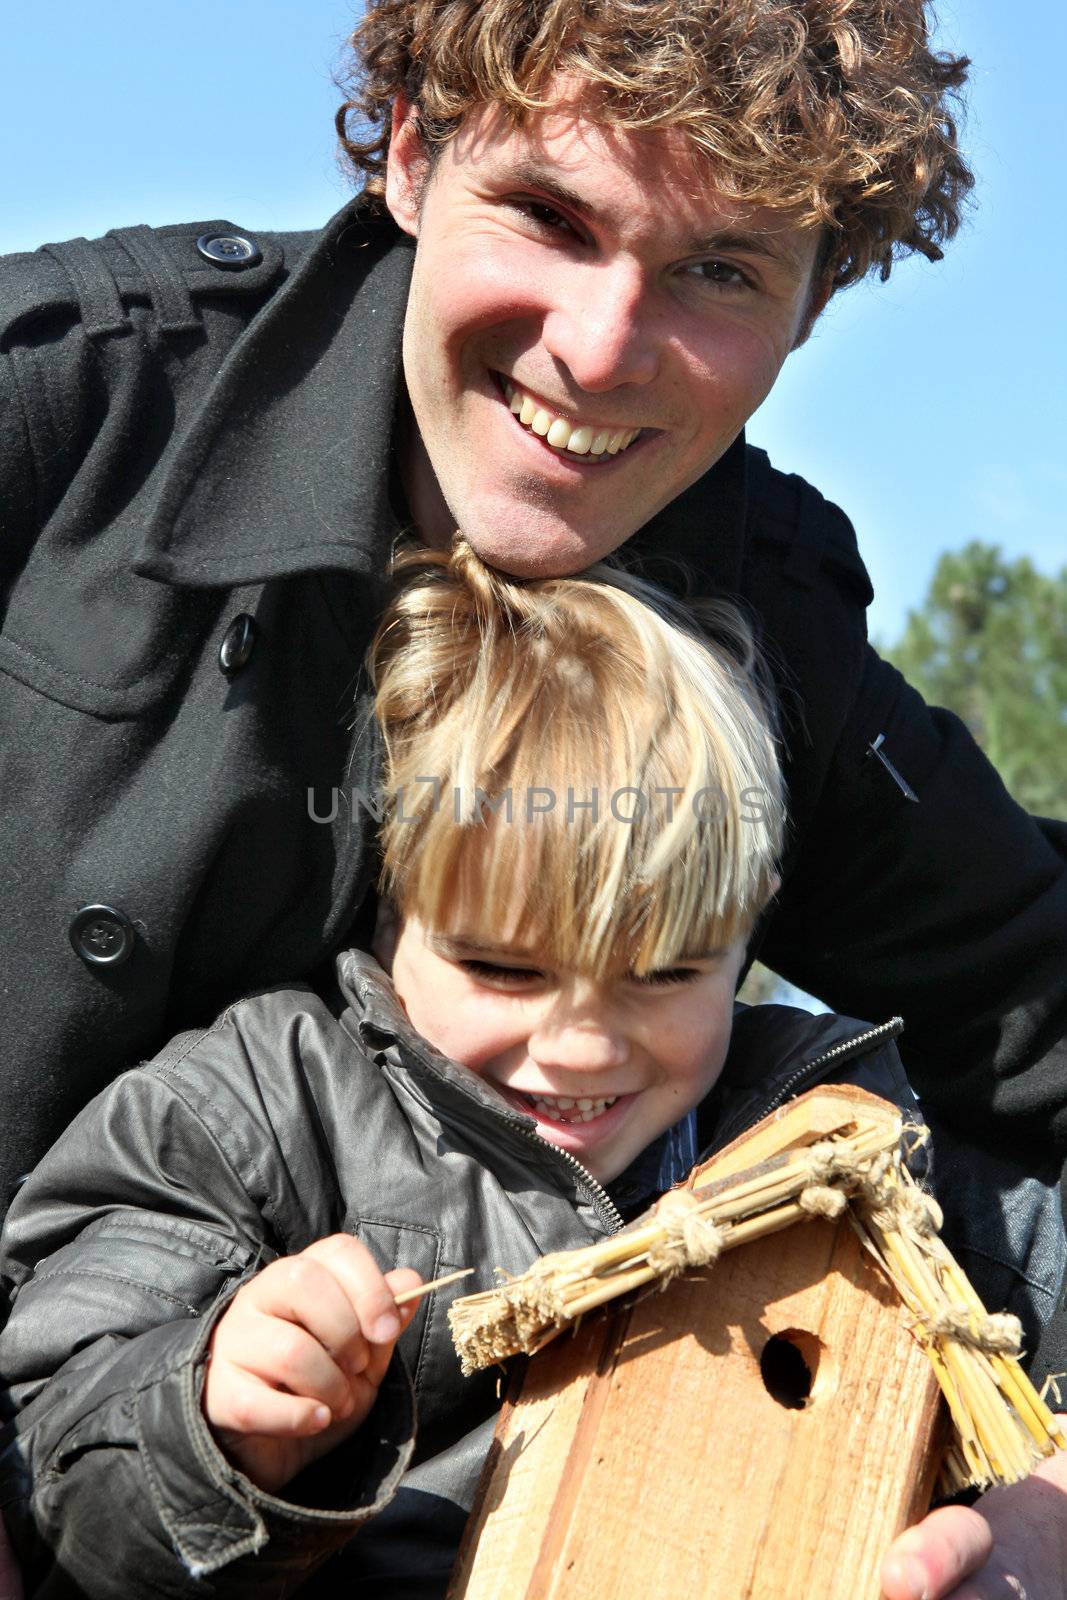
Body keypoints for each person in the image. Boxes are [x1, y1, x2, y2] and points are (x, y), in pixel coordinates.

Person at [0, 1, 1064, 1594]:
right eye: (550, 217)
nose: (595, 345)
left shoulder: (778, 637)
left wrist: (1040, 1483)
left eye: (718, 271)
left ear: (811, 301)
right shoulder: (59, 419)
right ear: (415, 158)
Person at [1, 542, 1060, 1599]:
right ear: (391, 898)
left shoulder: (843, 1152)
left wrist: (1040, 1518)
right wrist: (212, 1420)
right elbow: (55, 1448)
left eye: (665, 973)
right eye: (504, 969)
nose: (583, 1046)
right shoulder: (262, 1117)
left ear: (749, 928)